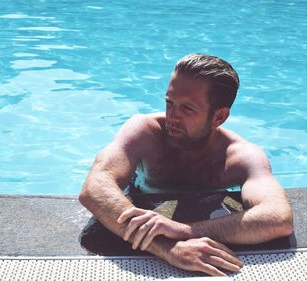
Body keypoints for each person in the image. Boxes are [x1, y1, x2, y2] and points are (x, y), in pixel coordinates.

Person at [78, 54, 294, 276]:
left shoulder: (241, 156)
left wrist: (185, 231)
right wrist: (168, 249)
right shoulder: (145, 132)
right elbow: (94, 188)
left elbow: (278, 218)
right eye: (169, 103)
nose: (172, 116)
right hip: (142, 192)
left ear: (219, 117)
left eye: (187, 109)